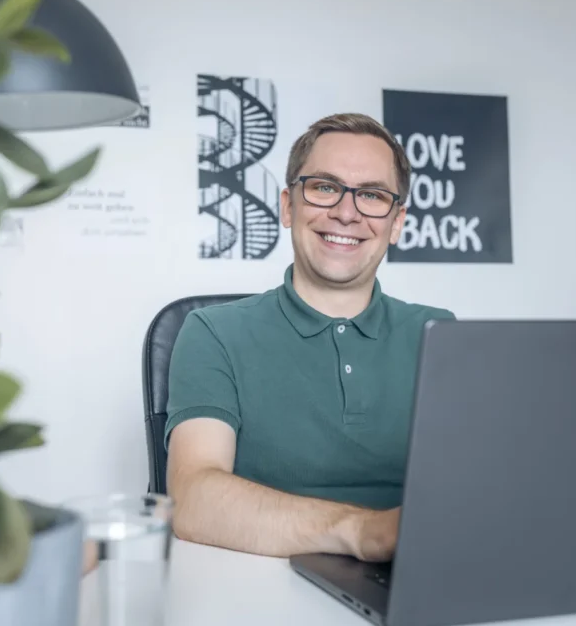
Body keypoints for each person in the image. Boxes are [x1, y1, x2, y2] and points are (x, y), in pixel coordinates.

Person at [164, 112, 456, 562]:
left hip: (421, 576)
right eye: (324, 188)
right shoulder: (213, 333)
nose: (345, 212)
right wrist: (363, 532)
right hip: (263, 585)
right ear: (287, 206)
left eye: (373, 196)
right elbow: (193, 499)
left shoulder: (440, 334)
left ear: (396, 223)